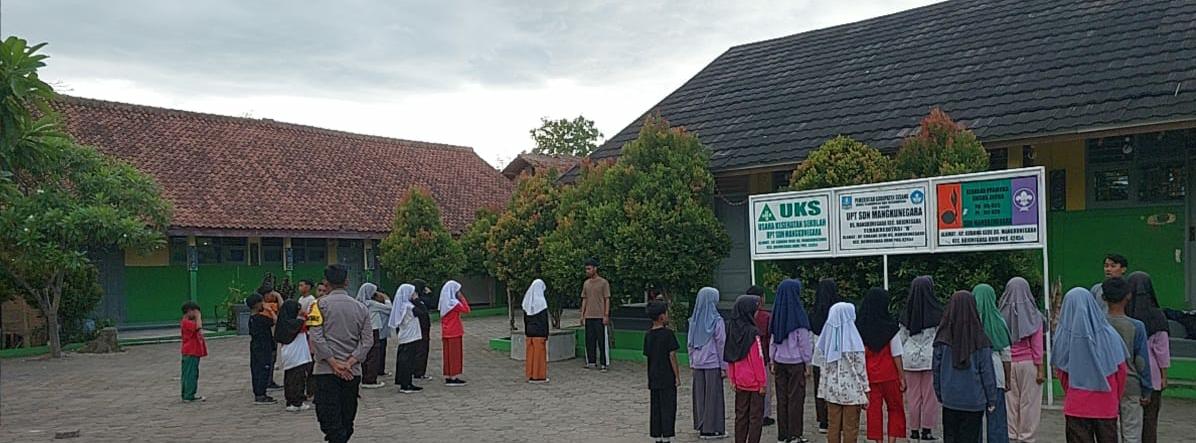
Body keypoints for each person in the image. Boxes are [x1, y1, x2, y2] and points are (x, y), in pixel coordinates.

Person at [1053, 287, 1128, 443]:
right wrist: (1115, 397)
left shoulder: (1063, 338)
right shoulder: (1110, 335)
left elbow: (1062, 373)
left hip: (1077, 405)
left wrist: (1075, 393)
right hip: (1106, 404)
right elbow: (1121, 372)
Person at [309, 264, 373, 443]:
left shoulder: (317, 306)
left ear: (326, 283)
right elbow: (367, 340)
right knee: (347, 415)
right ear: (347, 281)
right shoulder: (361, 308)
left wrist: (333, 362)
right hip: (352, 372)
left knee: (329, 416)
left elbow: (316, 337)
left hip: (325, 370)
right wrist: (350, 362)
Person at [933, 291, 998, 443]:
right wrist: (991, 398)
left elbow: (936, 369)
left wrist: (940, 393)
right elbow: (987, 372)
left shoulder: (942, 338)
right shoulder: (980, 339)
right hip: (974, 401)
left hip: (950, 399)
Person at [1102, 277, 1153, 443]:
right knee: (1132, 434)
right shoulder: (1137, 326)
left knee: (1108, 434)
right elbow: (1141, 362)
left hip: (1104, 385)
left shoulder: (1098, 324)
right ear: (1128, 296)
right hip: (1131, 385)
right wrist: (1147, 388)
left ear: (1103, 297)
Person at [999, 277, 1045, 443]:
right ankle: (1027, 437)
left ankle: (1011, 435)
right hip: (1029, 364)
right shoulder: (1035, 316)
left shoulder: (1000, 314)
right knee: (1030, 403)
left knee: (1010, 402)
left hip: (1007, 363)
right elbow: (1037, 345)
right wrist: (1040, 369)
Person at [814, 302, 868, 443]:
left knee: (833, 426)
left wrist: (822, 390)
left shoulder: (827, 341)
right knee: (850, 427)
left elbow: (822, 367)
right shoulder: (854, 341)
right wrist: (866, 390)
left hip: (832, 391)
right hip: (852, 391)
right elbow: (861, 370)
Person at [858, 288, 905, 443]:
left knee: (873, 411)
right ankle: (892, 439)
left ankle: (878, 440)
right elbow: (896, 353)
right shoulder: (891, 327)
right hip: (890, 374)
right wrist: (902, 376)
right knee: (895, 408)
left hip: (870, 376)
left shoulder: (860, 327)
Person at [768, 279, 813, 443]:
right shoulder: (799, 315)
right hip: (796, 363)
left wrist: (772, 359)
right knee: (796, 398)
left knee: (782, 399)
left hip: (779, 361)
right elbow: (804, 343)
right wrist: (807, 362)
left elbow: (773, 340)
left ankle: (783, 434)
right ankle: (795, 434)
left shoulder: (777, 314)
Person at [1127, 272, 1170, 443]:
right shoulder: (1158, 316)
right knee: (1150, 421)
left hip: (1128, 375)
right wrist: (1164, 376)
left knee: (1129, 422)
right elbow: (1162, 351)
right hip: (1153, 377)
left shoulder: (1123, 314)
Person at [899, 276, 942, 442]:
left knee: (913, 397)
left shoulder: (906, 312)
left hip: (910, 359)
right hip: (930, 358)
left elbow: (902, 337)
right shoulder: (937, 312)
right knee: (930, 397)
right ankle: (927, 430)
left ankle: (914, 431)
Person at [725, 294, 768, 443]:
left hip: (739, 381)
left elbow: (730, 356)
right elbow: (758, 359)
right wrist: (762, 382)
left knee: (740, 415)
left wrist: (732, 378)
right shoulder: (753, 333)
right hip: (755, 383)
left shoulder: (732, 330)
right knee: (756, 417)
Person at [974, 284, 1013, 443]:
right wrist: (1008, 379)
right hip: (996, 375)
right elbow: (1006, 354)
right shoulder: (999, 322)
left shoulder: (969, 323)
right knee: (997, 418)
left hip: (974, 376)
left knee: (974, 419)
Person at [688, 287, 727, 439]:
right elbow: (721, 344)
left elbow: (690, 344)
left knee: (700, 396)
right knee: (713, 396)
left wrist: (692, 362)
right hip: (712, 363)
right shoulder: (717, 321)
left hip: (697, 364)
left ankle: (702, 426)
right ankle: (712, 429)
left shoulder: (693, 320)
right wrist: (724, 366)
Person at [809, 278, 845, 434]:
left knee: (820, 388)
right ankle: (836, 419)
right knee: (836, 388)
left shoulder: (814, 313)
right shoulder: (838, 311)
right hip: (836, 357)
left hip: (818, 357)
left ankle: (823, 420)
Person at [644, 300, 680, 443]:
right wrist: (677, 376)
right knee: (668, 406)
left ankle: (656, 435)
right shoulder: (668, 334)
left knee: (656, 407)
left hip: (653, 376)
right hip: (667, 376)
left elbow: (648, 356)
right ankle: (667, 435)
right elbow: (672, 355)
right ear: (661, 316)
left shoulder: (648, 335)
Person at [275, 298, 313, 411]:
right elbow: (309, 322)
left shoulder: (283, 323)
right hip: (297, 355)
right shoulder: (297, 323)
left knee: (289, 378)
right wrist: (305, 314)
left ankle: (291, 400)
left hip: (288, 354)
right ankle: (297, 402)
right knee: (298, 379)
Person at [747, 285, 776, 428]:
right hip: (762, 356)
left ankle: (750, 412)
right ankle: (764, 415)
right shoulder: (766, 317)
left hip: (746, 358)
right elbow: (769, 338)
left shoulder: (743, 315)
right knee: (764, 386)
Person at [389, 284, 424, 393]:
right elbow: (423, 312)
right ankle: (405, 384)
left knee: (407, 360)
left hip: (405, 335)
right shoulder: (408, 306)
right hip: (410, 336)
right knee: (407, 361)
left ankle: (407, 382)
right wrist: (416, 300)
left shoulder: (403, 305)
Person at [357, 283, 391, 388]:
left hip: (362, 330)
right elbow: (389, 309)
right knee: (374, 354)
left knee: (365, 353)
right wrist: (386, 299)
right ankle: (371, 379)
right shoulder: (372, 304)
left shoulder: (358, 304)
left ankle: (365, 377)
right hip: (373, 330)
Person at [579, 258, 611, 371]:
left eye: (589, 269)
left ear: (595, 269)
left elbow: (607, 299)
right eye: (586, 269)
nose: (587, 271)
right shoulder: (586, 283)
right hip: (589, 316)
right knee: (589, 340)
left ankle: (604, 363)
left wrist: (606, 315)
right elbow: (584, 299)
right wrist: (582, 315)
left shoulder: (603, 283)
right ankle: (591, 361)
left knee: (602, 340)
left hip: (600, 316)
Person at [246, 293, 277, 404]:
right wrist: (270, 310)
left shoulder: (251, 319)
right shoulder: (260, 319)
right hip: (264, 347)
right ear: (257, 304)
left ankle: (258, 393)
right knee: (264, 369)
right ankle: (261, 394)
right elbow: (275, 320)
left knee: (256, 369)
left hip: (255, 346)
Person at [439, 280, 472, 386]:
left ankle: (448, 375)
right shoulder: (454, 303)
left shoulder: (444, 303)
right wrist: (461, 298)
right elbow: (467, 310)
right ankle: (453, 377)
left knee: (448, 355)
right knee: (455, 355)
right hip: (455, 331)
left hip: (446, 331)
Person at [523, 279, 550, 384]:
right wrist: (546, 334)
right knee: (539, 355)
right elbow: (544, 321)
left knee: (530, 354)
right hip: (539, 333)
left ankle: (530, 374)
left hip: (529, 333)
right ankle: (538, 376)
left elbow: (525, 320)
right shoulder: (542, 303)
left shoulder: (526, 302)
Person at [180, 301, 207, 403]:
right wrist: (198, 316)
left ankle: (187, 394)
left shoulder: (186, 321)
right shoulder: (186, 322)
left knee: (189, 373)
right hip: (191, 351)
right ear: (189, 311)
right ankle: (189, 395)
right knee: (190, 374)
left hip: (192, 351)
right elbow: (198, 327)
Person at [411, 279, 434, 380]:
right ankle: (419, 372)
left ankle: (416, 370)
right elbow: (428, 306)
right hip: (422, 326)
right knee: (422, 349)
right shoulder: (418, 300)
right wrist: (429, 294)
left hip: (419, 326)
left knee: (418, 349)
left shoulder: (414, 298)